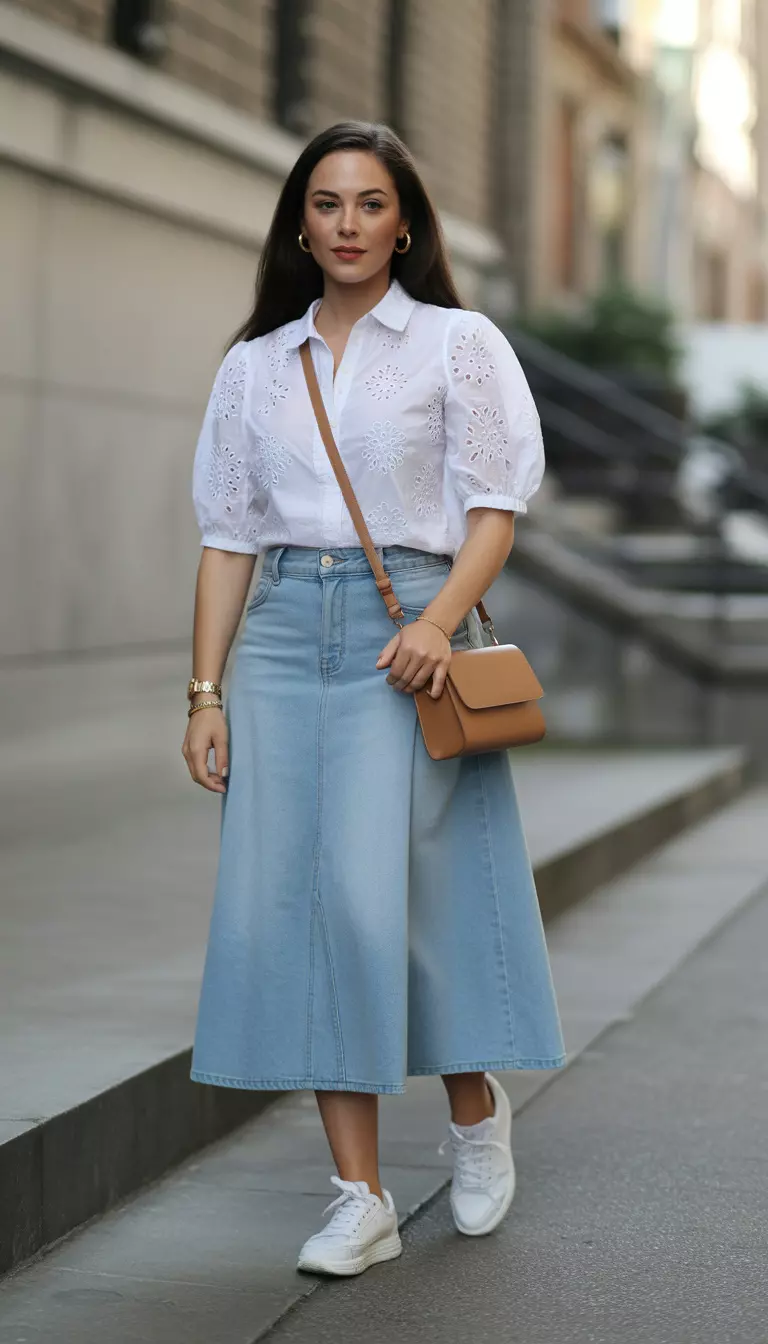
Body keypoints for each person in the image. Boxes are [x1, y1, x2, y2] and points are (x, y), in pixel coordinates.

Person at [183, 120, 564, 1278]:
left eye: (370, 205)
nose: (348, 226)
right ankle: (360, 1195)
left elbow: (495, 504)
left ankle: (471, 1114)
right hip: (289, 634)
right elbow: (226, 536)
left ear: (405, 225)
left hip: (413, 622)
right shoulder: (256, 364)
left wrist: (437, 624)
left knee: (398, 892)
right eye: (328, 205)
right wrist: (206, 690)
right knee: (299, 904)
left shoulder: (457, 344)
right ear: (300, 223)